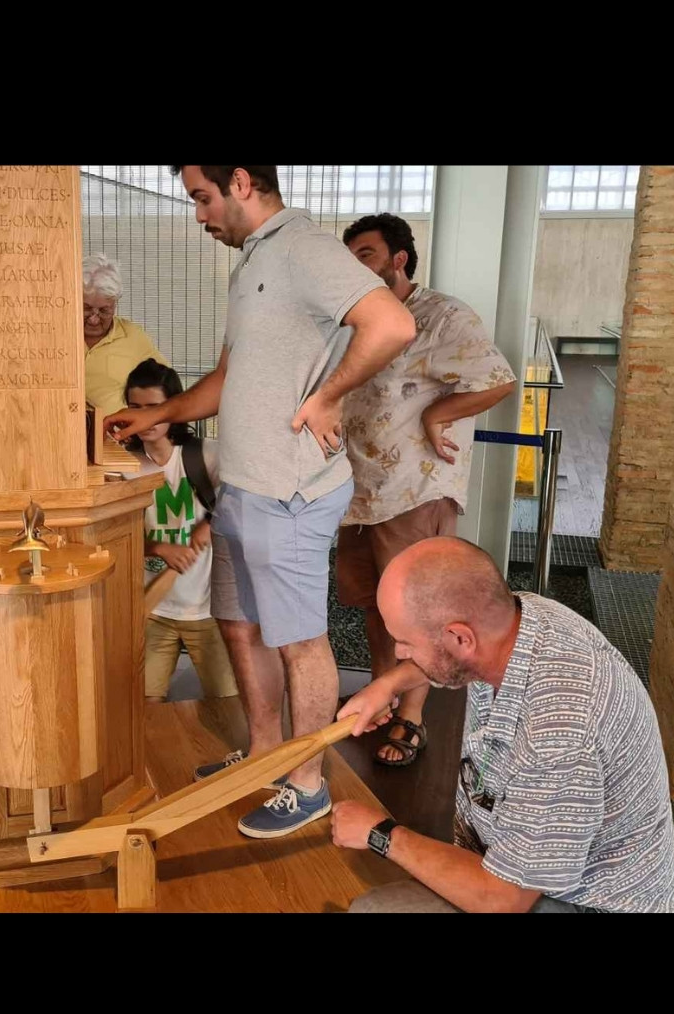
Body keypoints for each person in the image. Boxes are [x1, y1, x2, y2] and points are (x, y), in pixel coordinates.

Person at [103, 166, 416, 840]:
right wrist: (152, 418)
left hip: (291, 490)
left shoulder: (303, 247)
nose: (198, 215)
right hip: (244, 485)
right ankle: (269, 753)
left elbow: (391, 325)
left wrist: (328, 396)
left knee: (300, 641)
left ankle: (308, 783)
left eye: (201, 198)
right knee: (241, 627)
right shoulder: (252, 263)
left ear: (240, 181)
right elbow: (227, 376)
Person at [331, 537, 674, 912]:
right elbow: (448, 656)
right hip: (520, 866)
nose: (399, 653)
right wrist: (388, 686)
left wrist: (380, 833)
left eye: (404, 642)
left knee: (376, 910)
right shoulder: (521, 617)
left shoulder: (559, 734)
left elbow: (503, 899)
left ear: (460, 638)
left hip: (585, 902)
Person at [337, 213, 517, 767]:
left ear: (399, 259)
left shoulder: (442, 317)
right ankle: (382, 696)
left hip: (412, 491)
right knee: (375, 608)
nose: (355, 267)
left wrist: (440, 412)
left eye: (365, 254)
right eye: (350, 256)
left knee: (419, 615)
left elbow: (499, 378)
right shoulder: (355, 319)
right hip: (354, 494)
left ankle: (412, 719)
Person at [124, 359, 237, 705]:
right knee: (142, 707)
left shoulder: (206, 455)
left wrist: (209, 524)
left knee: (229, 703)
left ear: (175, 406)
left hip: (209, 612)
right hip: (153, 611)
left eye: (155, 408)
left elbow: (245, 500)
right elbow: (112, 540)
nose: (144, 418)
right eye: (135, 408)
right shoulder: (123, 467)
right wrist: (157, 548)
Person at [81, 253, 167, 424]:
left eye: (104, 311)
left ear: (115, 303)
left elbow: (166, 385)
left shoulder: (133, 336)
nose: (94, 319)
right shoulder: (55, 334)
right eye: (86, 308)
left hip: (118, 438)